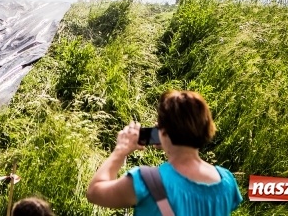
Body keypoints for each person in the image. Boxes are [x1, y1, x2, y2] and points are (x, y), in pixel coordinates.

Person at [86, 90, 242, 216]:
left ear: (165, 132)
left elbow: (94, 192)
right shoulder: (227, 182)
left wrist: (120, 150)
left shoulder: (145, 181)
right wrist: (170, 143)